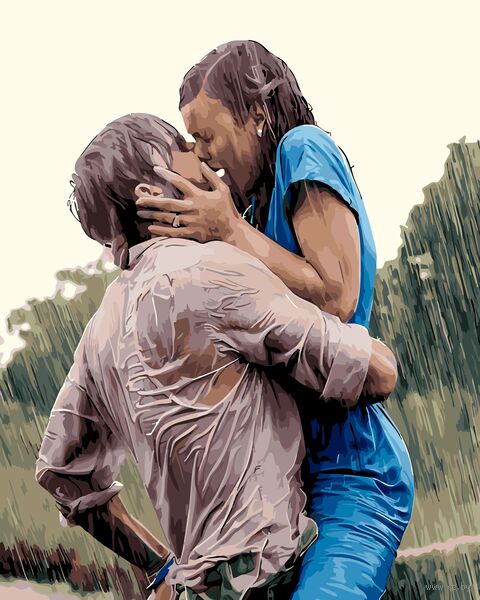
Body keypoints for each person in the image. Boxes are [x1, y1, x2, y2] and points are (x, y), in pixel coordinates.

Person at [36, 114, 399, 600]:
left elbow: (59, 472)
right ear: (152, 192)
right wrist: (374, 352)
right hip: (269, 580)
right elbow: (374, 375)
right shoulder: (216, 272)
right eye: (182, 147)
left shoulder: (100, 329)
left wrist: (161, 566)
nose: (198, 153)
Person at [135, 41, 415, 599]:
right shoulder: (251, 211)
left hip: (352, 476)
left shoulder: (302, 149)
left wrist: (229, 232)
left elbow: (337, 298)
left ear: (258, 114)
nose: (202, 155)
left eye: (207, 136)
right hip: (282, 491)